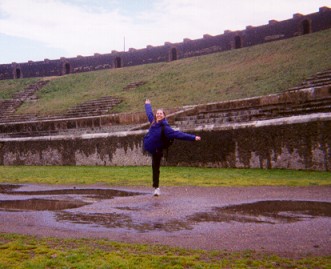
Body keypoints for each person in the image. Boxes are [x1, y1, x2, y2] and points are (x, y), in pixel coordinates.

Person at [143, 99, 201, 196]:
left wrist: (193, 137)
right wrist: (147, 105)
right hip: (150, 147)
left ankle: (156, 188)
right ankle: (156, 187)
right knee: (154, 167)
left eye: (161, 114)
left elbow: (178, 134)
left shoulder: (165, 128)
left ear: (164, 116)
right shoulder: (153, 122)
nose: (159, 115)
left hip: (157, 150)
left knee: (155, 168)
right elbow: (149, 113)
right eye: (158, 113)